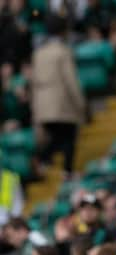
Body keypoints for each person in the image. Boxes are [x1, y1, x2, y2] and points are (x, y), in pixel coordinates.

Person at [31, 13, 85, 176]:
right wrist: (80, 102)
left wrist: (35, 108)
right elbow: (70, 80)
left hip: (43, 103)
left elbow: (34, 81)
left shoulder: (39, 53)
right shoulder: (62, 51)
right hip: (61, 102)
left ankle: (44, 160)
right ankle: (65, 169)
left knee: (56, 136)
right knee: (68, 136)